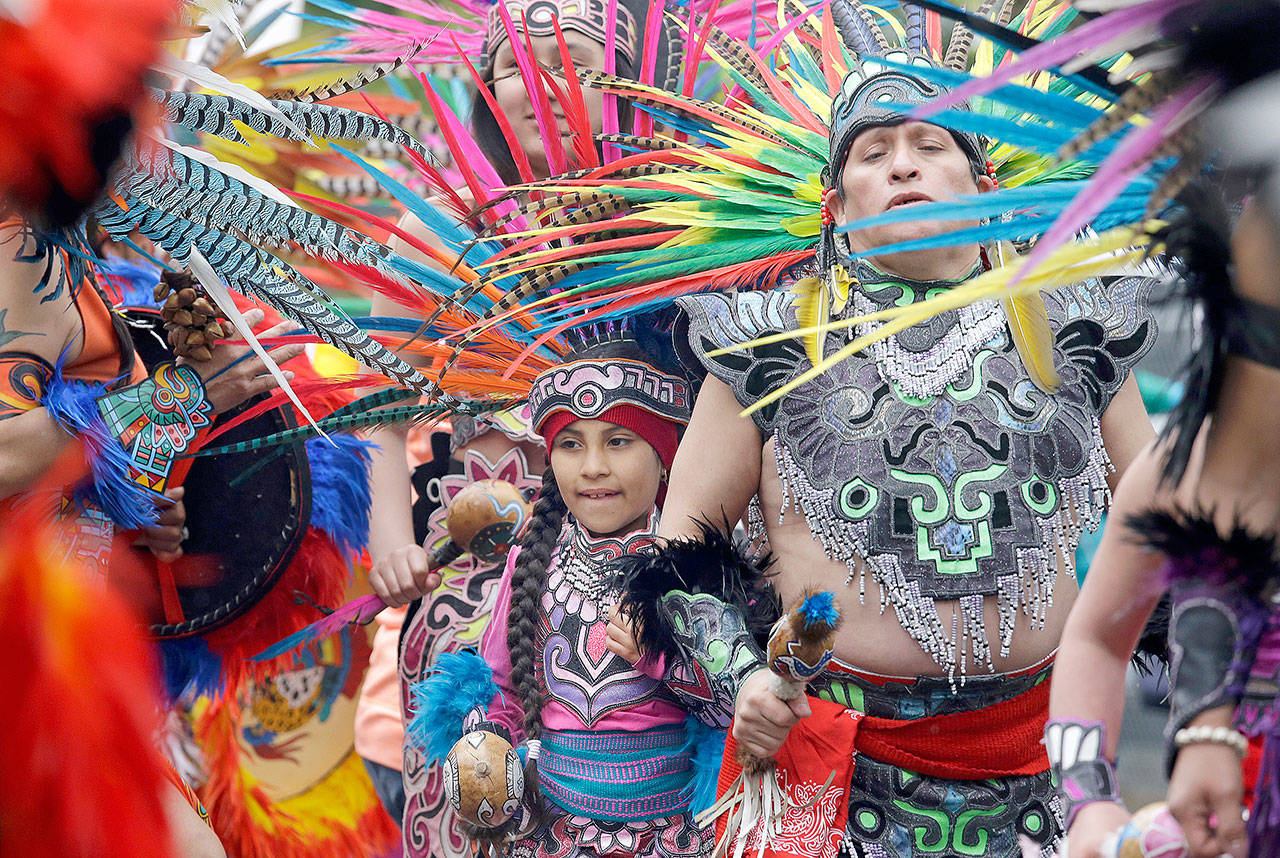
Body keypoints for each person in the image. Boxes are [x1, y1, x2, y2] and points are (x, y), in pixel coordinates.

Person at [614, 31, 1159, 858]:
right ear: (835, 206)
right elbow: (683, 544)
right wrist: (746, 677)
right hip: (840, 778)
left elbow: (1169, 526)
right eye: (873, 154)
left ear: (985, 185)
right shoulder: (765, 344)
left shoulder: (1077, 322)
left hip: (1040, 773)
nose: (902, 166)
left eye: (928, 143)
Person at [406, 336, 731, 858]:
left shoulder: (694, 565)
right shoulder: (531, 561)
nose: (593, 467)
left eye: (620, 441)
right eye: (571, 443)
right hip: (554, 836)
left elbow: (735, 710)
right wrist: (485, 743)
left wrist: (660, 659)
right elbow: (500, 689)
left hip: (673, 838)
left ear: (666, 456)